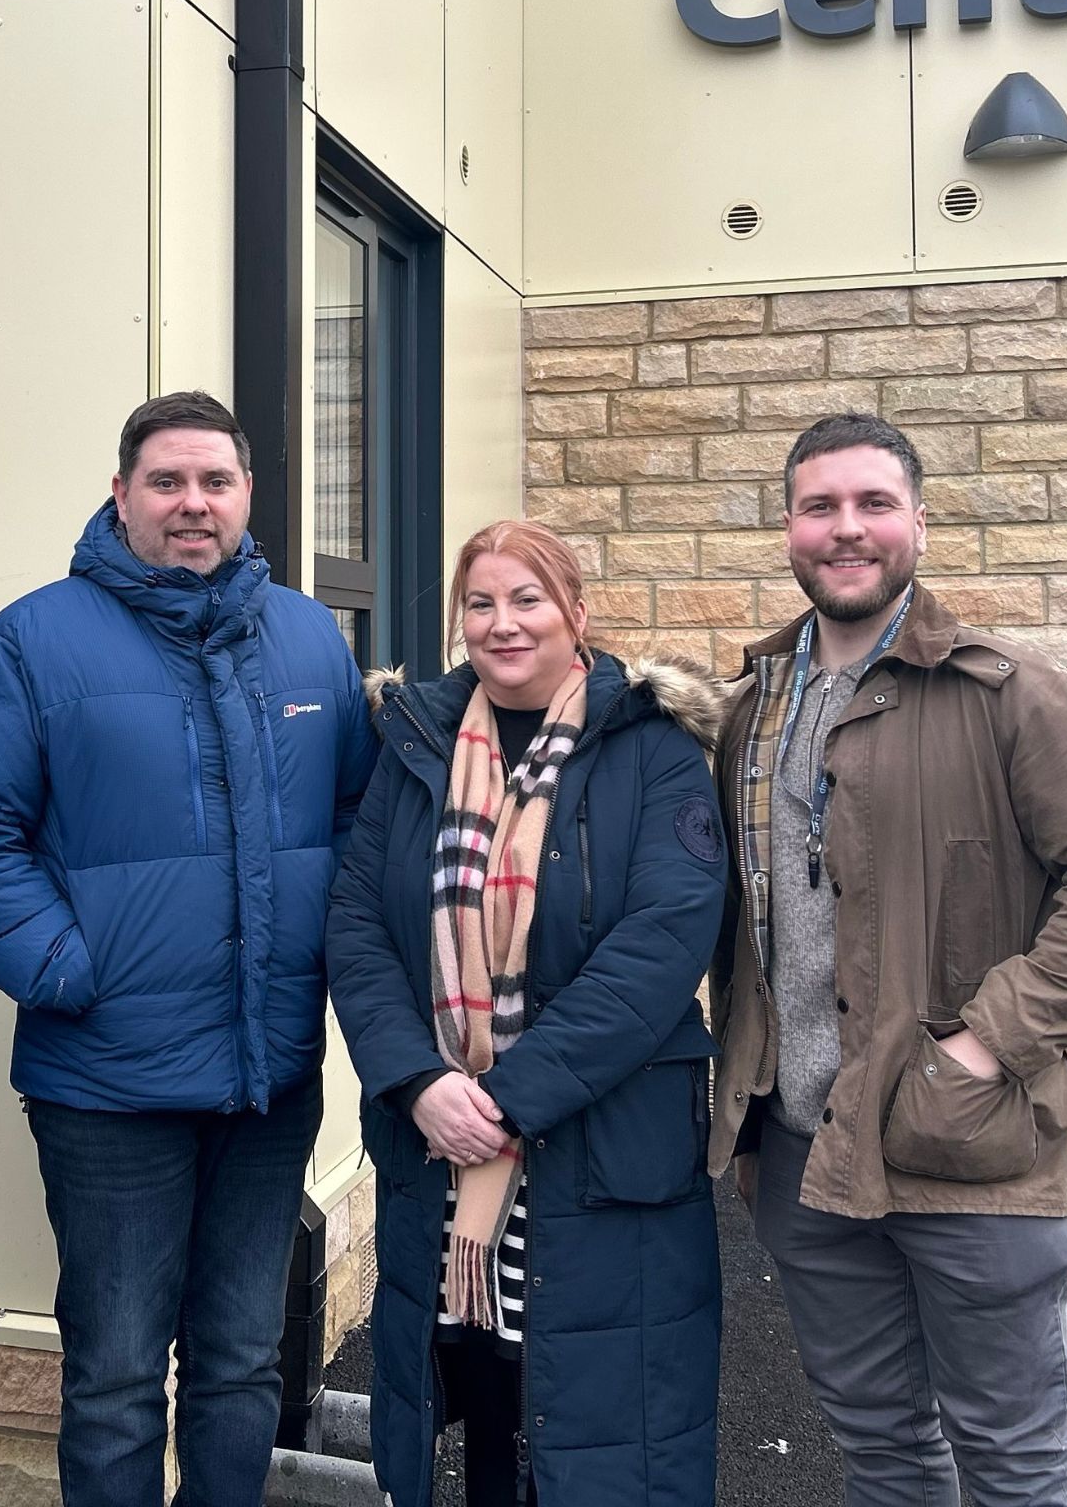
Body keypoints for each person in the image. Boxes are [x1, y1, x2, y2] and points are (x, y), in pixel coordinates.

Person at [711, 412, 1067, 1507]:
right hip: (802, 1157)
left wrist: (981, 1046)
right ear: (786, 526)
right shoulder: (748, 711)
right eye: (818, 505)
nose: (845, 528)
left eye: (872, 503)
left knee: (1018, 1466)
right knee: (881, 1454)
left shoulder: (1008, 692)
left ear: (917, 523)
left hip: (964, 1149)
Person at [0, 390, 378, 1507]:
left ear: (247, 496)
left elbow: (361, 824)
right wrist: (71, 973)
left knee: (237, 1362)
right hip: (107, 1082)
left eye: (213, 481)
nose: (190, 503)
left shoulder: (310, 636)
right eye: (165, 481)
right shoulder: (34, 637)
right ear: (121, 492)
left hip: (267, 1077)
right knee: (119, 1372)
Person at [328, 520, 727, 1507]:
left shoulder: (652, 745)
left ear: (576, 614)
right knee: (479, 1410)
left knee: (595, 1433)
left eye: (526, 599)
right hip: (442, 1154)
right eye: (479, 602)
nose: (500, 623)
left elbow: (659, 946)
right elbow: (356, 926)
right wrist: (417, 1082)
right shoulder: (413, 742)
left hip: (595, 1155)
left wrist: (505, 1099)